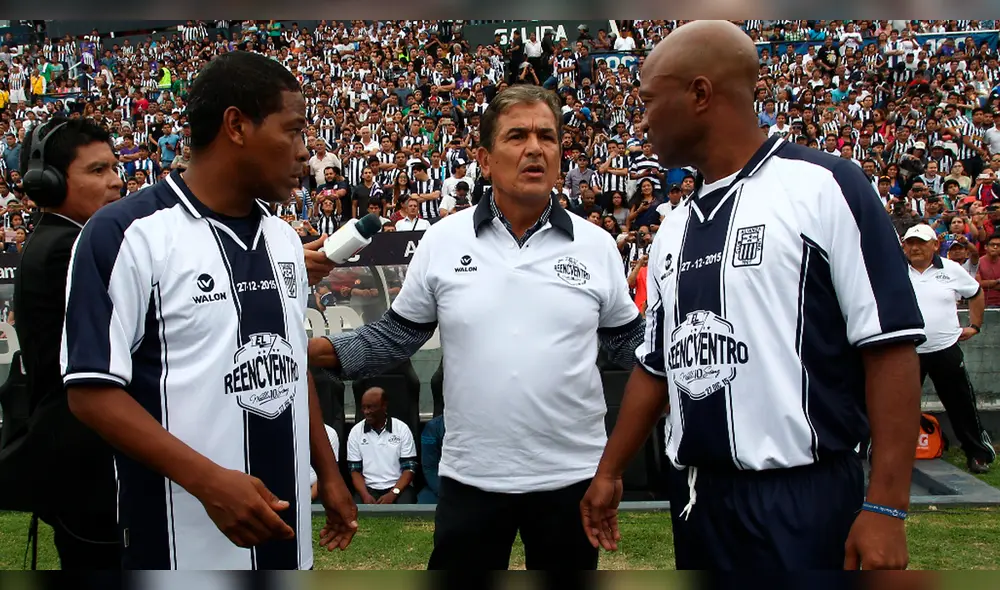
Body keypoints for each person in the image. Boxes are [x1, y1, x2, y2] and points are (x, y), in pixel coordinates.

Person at [581, 21, 926, 571]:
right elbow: (657, 367)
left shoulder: (824, 186)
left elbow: (889, 347)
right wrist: (609, 471)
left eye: (647, 101)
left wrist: (887, 504)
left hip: (801, 497)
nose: (640, 119)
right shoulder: (674, 227)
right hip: (698, 497)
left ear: (699, 94)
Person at [309, 85, 645, 570]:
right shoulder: (443, 239)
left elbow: (631, 347)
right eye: (517, 136)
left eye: (547, 137)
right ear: (485, 161)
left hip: (573, 477)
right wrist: (304, 351)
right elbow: (391, 339)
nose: (535, 148)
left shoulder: (596, 246)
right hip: (472, 477)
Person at [59, 51, 356, 570]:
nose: (306, 153)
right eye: (293, 131)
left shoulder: (284, 238)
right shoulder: (125, 234)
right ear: (236, 126)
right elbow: (91, 393)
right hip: (178, 543)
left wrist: (326, 472)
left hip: (287, 538)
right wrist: (209, 482)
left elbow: (289, 362)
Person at [6, 117, 122, 569]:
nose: (115, 182)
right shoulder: (65, 249)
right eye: (96, 171)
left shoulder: (68, 240)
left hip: (84, 460)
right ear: (49, 184)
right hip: (87, 464)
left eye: (114, 167)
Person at [902, 225, 994, 474]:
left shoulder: (951, 269)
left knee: (962, 404)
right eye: (910, 243)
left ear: (934, 245)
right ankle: (885, 455)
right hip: (907, 352)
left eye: (921, 243)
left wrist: (975, 325)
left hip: (945, 348)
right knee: (896, 406)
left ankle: (977, 454)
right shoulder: (894, 269)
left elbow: (975, 293)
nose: (915, 248)